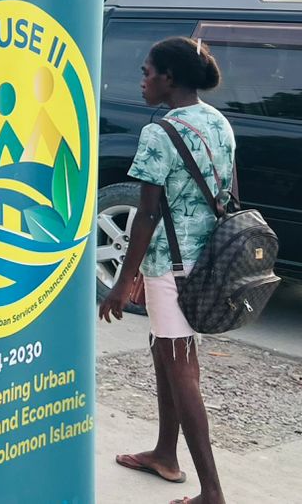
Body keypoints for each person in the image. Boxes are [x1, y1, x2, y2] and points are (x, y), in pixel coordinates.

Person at [101, 37, 233, 504]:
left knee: (182, 371)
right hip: (211, 262)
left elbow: (147, 215)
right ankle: (164, 453)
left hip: (172, 268)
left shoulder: (160, 133)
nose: (142, 81)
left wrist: (121, 282)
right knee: (165, 352)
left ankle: (212, 493)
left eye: (146, 72)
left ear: (168, 78)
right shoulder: (218, 123)